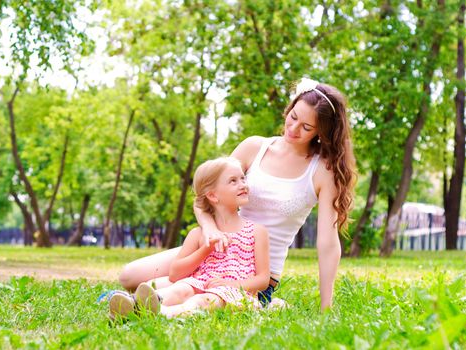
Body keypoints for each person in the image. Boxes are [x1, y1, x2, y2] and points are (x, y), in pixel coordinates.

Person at [118, 77, 356, 310]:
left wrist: (327, 306)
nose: (293, 128)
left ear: (320, 132)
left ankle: (259, 301)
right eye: (293, 117)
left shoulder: (322, 171)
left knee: (170, 289)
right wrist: (210, 229)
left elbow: (327, 243)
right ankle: (257, 304)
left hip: (253, 268)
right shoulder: (254, 147)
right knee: (129, 276)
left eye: (306, 127)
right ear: (290, 108)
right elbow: (206, 194)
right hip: (217, 250)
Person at [109, 157, 269, 319]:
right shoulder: (198, 234)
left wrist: (230, 284)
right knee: (180, 290)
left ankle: (163, 313)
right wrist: (206, 249)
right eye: (233, 181)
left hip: (236, 294)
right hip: (200, 284)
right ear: (213, 196)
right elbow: (175, 274)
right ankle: (134, 305)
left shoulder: (256, 231)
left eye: (243, 178)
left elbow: (263, 279)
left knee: (202, 301)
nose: (243, 184)